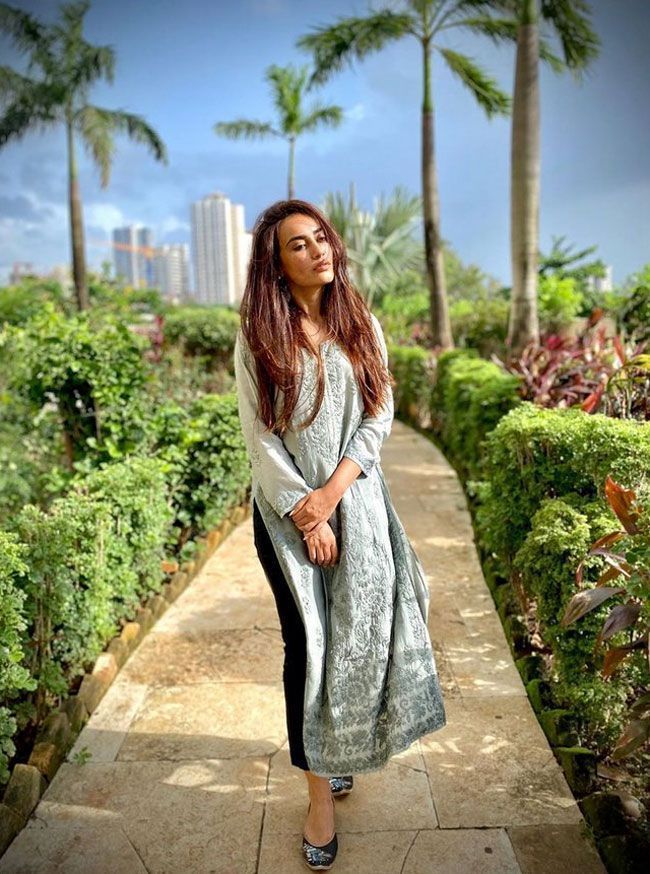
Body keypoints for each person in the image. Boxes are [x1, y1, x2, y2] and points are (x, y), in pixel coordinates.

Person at [233, 199, 447, 870]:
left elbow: (379, 417)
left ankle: (340, 749)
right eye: (298, 244)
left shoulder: (361, 323)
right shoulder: (259, 336)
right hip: (285, 517)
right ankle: (318, 796)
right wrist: (306, 512)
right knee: (309, 646)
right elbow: (260, 436)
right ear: (276, 263)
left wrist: (330, 500)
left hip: (358, 507)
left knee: (359, 636)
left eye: (321, 237)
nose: (317, 249)